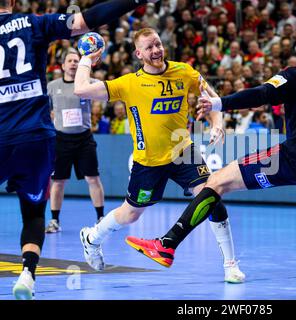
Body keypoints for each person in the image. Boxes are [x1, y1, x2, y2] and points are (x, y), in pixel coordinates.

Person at [125, 17, 296, 295]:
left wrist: (219, 103)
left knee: (217, 182)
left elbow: (262, 94)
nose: (295, 42)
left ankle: (168, 244)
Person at [0, 0, 161, 300]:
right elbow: (85, 20)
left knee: (85, 180)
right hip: (35, 137)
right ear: (12, 2)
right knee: (33, 212)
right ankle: (27, 274)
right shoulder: (34, 23)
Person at [74, 28, 245, 284]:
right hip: (148, 162)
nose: (156, 51)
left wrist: (217, 122)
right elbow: (81, 89)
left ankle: (230, 265)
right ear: (138, 53)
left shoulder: (184, 72)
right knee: (131, 214)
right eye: (149, 47)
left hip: (183, 151)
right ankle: (92, 237)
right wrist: (87, 59)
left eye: (158, 44)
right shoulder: (128, 83)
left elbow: (212, 99)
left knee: (212, 198)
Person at [46, 49, 105, 234]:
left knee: (93, 178)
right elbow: (44, 110)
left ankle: (101, 218)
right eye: (70, 60)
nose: (73, 63)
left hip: (84, 139)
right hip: (61, 140)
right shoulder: (52, 86)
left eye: (76, 61)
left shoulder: (89, 84)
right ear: (63, 65)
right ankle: (54, 221)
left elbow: (106, 89)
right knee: (58, 181)